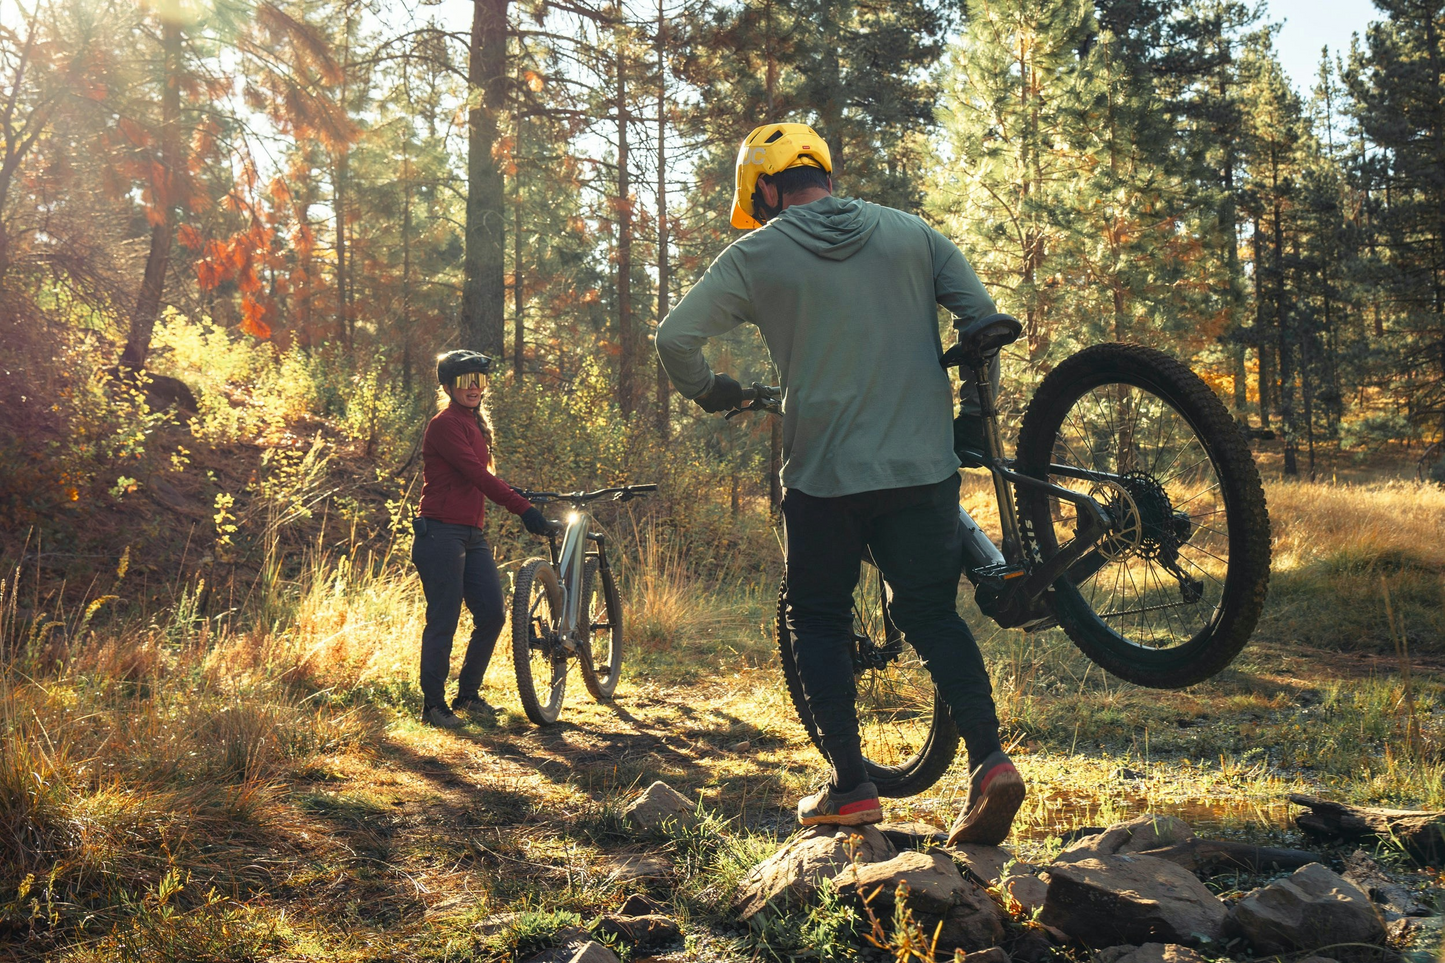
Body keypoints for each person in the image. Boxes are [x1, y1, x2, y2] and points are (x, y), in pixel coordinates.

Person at [655, 123, 1024, 845]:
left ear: (764, 187)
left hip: (823, 477)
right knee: (929, 613)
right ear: (821, 170)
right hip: (922, 470)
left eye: (754, 198)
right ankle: (988, 761)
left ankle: (851, 785)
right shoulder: (911, 232)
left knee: (817, 616)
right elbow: (982, 324)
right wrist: (977, 415)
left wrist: (708, 390)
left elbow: (673, 339)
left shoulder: (756, 253)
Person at [411, 350, 556, 729]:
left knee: (492, 613)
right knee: (443, 619)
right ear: (447, 387)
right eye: (464, 381)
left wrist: (516, 493)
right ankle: (433, 707)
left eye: (479, 380)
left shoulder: (472, 423)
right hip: (440, 532)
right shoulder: (444, 424)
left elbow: (478, 476)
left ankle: (468, 696)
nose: (473, 387)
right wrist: (522, 508)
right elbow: (476, 474)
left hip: (470, 535)